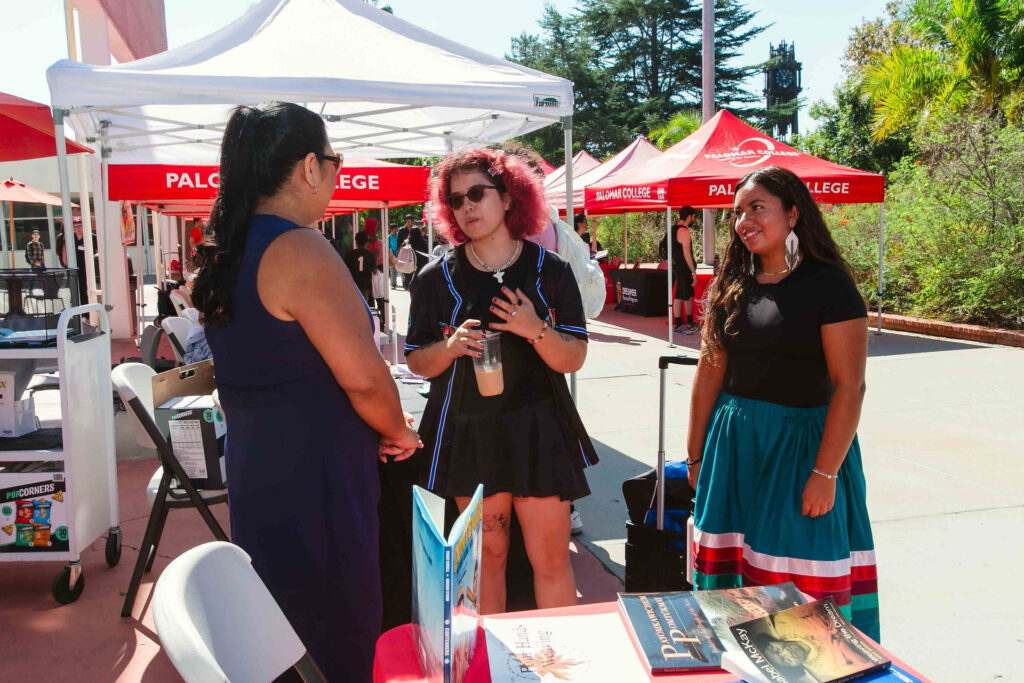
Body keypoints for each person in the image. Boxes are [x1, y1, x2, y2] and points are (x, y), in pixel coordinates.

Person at [193, 101, 421, 680]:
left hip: (260, 465)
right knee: (332, 625)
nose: (337, 173)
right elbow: (365, 377)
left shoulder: (232, 248)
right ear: (309, 169)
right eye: (334, 160)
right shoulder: (298, 247)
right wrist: (399, 431)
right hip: (315, 474)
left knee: (280, 624)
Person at [686, 166, 879, 641]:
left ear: (793, 214)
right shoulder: (733, 282)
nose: (744, 220)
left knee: (798, 589)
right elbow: (709, 370)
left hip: (802, 450)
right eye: (737, 212)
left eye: (757, 207)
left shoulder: (829, 285)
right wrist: (696, 454)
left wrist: (825, 473)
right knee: (729, 595)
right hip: (734, 446)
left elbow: (849, 385)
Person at [405, 147, 598, 615]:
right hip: (471, 434)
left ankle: (560, 664)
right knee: (487, 557)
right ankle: (493, 663)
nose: (466, 207)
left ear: (510, 197)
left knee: (549, 559)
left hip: (539, 431)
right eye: (455, 200)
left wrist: (535, 330)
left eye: (477, 193)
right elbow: (416, 360)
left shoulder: (549, 270)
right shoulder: (436, 278)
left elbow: (573, 357)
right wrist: (448, 350)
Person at [56, 216, 98, 306]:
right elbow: (64, 251)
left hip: (89, 269)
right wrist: (66, 263)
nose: (78, 229)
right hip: (75, 268)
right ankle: (80, 314)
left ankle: (89, 314)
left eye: (80, 226)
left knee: (88, 291)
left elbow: (98, 252)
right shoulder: (70, 238)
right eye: (75, 227)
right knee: (75, 291)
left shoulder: (92, 237)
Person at [671, 207, 698, 334]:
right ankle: (679, 325)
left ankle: (690, 321)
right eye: (693, 217)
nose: (694, 220)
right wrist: (694, 271)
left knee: (688, 295)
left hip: (676, 266)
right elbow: (687, 254)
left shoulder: (673, 229)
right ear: (689, 216)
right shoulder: (684, 231)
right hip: (683, 268)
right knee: (679, 295)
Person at [344, 230, 376, 304]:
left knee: (353, 305)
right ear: (366, 242)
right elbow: (374, 270)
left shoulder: (350, 254)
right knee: (364, 306)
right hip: (365, 285)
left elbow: (345, 269)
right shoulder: (370, 255)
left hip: (353, 284)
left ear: (356, 242)